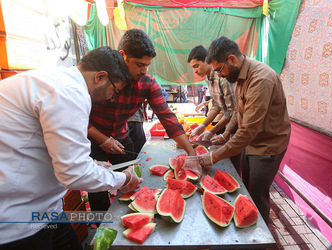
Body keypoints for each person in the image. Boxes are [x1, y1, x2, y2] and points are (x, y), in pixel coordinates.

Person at [0, 46, 142, 249]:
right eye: (114, 90)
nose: (113, 98)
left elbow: (48, 146)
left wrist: (92, 163)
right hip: (18, 220)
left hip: (44, 211)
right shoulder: (70, 92)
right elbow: (74, 173)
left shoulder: (58, 80)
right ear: (100, 77)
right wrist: (124, 178)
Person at [184, 37, 291, 225]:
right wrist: (224, 134)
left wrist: (213, 157)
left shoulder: (260, 80)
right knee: (246, 189)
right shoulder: (240, 75)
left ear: (232, 59)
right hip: (250, 143)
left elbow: (247, 131)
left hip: (267, 147)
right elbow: (237, 113)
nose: (219, 75)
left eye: (219, 70)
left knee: (257, 197)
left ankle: (260, 240)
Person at [88, 29, 197, 212]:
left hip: (121, 138)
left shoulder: (147, 82)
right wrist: (102, 139)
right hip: (91, 138)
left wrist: (191, 153)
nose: (144, 70)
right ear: (123, 56)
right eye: (139, 64)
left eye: (147, 65)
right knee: (97, 188)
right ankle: (100, 227)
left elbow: (167, 118)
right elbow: (78, 117)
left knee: (132, 182)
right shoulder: (101, 78)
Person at [187, 45, 235, 141]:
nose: (195, 71)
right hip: (228, 123)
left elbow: (232, 111)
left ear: (206, 60)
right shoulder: (208, 78)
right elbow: (216, 105)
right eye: (193, 68)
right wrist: (203, 126)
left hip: (236, 123)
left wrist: (211, 131)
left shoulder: (222, 77)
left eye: (197, 66)